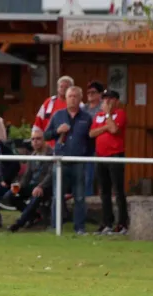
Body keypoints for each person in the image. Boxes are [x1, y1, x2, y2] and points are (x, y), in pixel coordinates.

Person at [44, 86, 93, 234]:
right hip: (60, 161)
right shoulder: (57, 115)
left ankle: (79, 228)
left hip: (79, 162)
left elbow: (91, 141)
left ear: (80, 99)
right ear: (65, 98)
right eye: (70, 96)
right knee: (57, 196)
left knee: (79, 197)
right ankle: (55, 227)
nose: (72, 99)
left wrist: (86, 156)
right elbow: (46, 135)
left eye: (75, 96)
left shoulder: (87, 118)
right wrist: (57, 131)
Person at [89, 89, 129, 235]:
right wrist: (105, 125)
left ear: (116, 101)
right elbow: (92, 133)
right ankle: (107, 223)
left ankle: (123, 224)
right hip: (100, 156)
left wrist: (107, 115)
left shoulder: (120, 114)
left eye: (110, 99)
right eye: (105, 99)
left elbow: (114, 129)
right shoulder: (98, 116)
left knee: (118, 190)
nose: (107, 101)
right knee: (104, 191)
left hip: (115, 155)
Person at [8, 129, 53, 232]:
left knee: (36, 195)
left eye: (38, 139)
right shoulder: (32, 156)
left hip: (48, 186)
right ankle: (33, 216)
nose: (35, 141)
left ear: (44, 140)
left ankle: (19, 223)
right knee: (10, 195)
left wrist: (41, 186)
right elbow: (27, 176)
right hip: (34, 185)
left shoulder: (51, 153)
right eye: (33, 139)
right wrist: (19, 185)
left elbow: (51, 175)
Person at [33, 76, 74, 148]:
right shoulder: (49, 103)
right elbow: (37, 125)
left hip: (70, 147)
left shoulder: (78, 104)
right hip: (48, 148)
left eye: (66, 87)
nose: (63, 89)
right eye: (61, 86)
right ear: (57, 88)